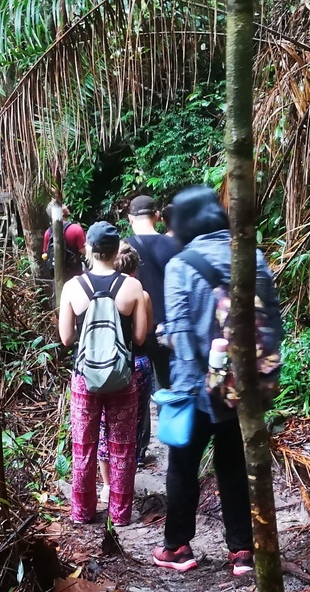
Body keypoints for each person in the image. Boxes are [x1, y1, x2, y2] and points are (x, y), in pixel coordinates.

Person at [151, 186, 282, 576]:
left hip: (198, 387)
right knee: (234, 464)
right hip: (246, 383)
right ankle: (242, 551)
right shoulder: (254, 258)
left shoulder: (181, 265)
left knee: (182, 466)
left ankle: (177, 547)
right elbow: (272, 322)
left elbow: (181, 338)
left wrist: (167, 342)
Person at [59, 221, 151, 526]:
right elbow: (139, 338)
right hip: (123, 378)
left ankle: (82, 512)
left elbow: (66, 338)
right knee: (123, 447)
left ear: (87, 249)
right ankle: (120, 514)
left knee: (84, 446)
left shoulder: (73, 287)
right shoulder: (132, 287)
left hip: (85, 377)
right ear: (116, 252)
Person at [96, 242, 153, 504]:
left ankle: (107, 486)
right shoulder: (139, 294)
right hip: (133, 365)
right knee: (128, 426)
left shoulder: (95, 290)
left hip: (99, 366)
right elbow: (142, 337)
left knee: (102, 426)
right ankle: (123, 486)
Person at [125, 195, 180, 389]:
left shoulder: (123, 248)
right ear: (157, 216)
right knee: (167, 386)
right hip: (169, 328)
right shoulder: (176, 245)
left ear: (130, 219)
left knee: (137, 390)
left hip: (137, 329)